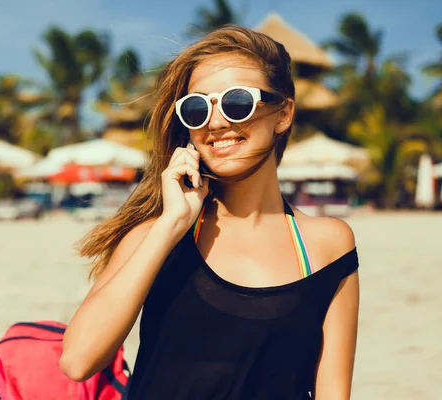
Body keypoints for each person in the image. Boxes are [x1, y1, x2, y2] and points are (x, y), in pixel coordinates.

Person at [60, 25, 360, 399]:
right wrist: (171, 225)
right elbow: (78, 360)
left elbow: (333, 392)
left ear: (283, 115)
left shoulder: (328, 244)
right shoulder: (157, 236)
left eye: (237, 102)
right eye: (197, 108)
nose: (216, 123)